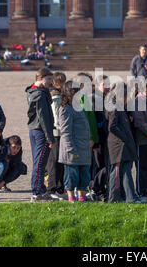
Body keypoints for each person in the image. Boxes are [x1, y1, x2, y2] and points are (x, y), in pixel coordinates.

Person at [105, 83, 140, 203]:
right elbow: (112, 127)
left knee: (125, 170)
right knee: (118, 171)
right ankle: (115, 198)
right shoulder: (114, 107)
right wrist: (125, 137)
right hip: (119, 144)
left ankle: (128, 197)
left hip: (122, 143)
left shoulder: (119, 107)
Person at [25, 68, 56, 202]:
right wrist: (50, 138)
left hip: (33, 130)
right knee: (39, 163)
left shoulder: (32, 91)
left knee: (39, 162)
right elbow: (43, 117)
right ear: (41, 78)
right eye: (49, 79)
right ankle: (36, 192)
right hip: (40, 131)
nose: (51, 82)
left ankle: (42, 190)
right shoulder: (40, 94)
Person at [59, 81, 92, 203]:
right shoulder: (65, 109)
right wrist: (71, 150)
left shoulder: (78, 107)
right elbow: (66, 132)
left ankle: (82, 197)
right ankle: (71, 197)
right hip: (73, 149)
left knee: (84, 175)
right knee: (71, 175)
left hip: (83, 147)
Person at [45, 72, 67, 200]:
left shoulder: (59, 95)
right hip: (56, 133)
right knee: (54, 161)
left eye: (63, 81)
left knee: (60, 161)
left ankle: (59, 188)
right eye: (60, 82)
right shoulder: (55, 96)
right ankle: (51, 189)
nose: (62, 84)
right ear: (54, 83)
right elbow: (56, 117)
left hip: (59, 132)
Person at [89, 74, 110, 202]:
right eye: (104, 85)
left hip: (106, 138)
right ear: (97, 86)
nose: (107, 87)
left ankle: (101, 189)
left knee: (104, 165)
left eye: (108, 85)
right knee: (98, 166)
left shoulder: (106, 98)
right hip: (98, 139)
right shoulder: (93, 99)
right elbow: (93, 120)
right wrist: (94, 140)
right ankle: (95, 189)